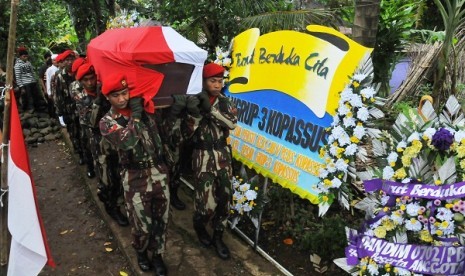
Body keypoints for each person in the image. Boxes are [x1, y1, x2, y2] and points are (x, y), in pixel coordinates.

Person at [99, 73, 171, 275]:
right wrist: (136, 116)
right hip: (135, 176)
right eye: (116, 96)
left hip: (158, 172)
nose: (122, 99)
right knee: (141, 224)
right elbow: (127, 141)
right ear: (107, 98)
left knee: (161, 219)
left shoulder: (145, 110)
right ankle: (141, 251)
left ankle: (157, 255)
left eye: (124, 93)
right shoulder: (107, 122)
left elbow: (164, 134)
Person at [190, 62, 237, 260]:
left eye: (220, 81)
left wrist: (211, 111)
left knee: (225, 199)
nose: (217, 85)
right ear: (204, 82)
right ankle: (200, 225)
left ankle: (218, 235)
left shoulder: (225, 102)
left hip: (222, 155)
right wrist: (198, 111)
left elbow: (232, 124)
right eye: (212, 81)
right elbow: (187, 131)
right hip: (202, 157)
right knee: (206, 203)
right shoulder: (194, 102)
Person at [74, 63, 128, 226]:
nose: (90, 82)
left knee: (119, 174)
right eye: (86, 80)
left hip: (116, 141)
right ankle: (111, 206)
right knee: (106, 178)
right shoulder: (83, 98)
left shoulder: (108, 91)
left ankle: (118, 200)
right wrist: (98, 102)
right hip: (99, 144)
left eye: (92, 78)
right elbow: (90, 122)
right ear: (81, 81)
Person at [55, 49, 84, 164]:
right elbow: (58, 95)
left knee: (84, 134)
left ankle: (87, 155)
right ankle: (80, 153)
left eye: (71, 59)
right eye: (67, 60)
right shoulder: (60, 76)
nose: (70, 62)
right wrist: (61, 112)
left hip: (81, 109)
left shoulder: (78, 73)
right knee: (74, 133)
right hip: (69, 110)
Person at [14, 47, 38, 112]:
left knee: (34, 95)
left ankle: (36, 108)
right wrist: (21, 87)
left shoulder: (28, 63)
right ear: (21, 56)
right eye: (24, 56)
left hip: (32, 81)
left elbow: (32, 72)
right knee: (28, 96)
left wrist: (34, 80)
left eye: (26, 56)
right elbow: (18, 76)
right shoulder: (17, 65)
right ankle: (30, 108)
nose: (26, 58)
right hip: (25, 83)